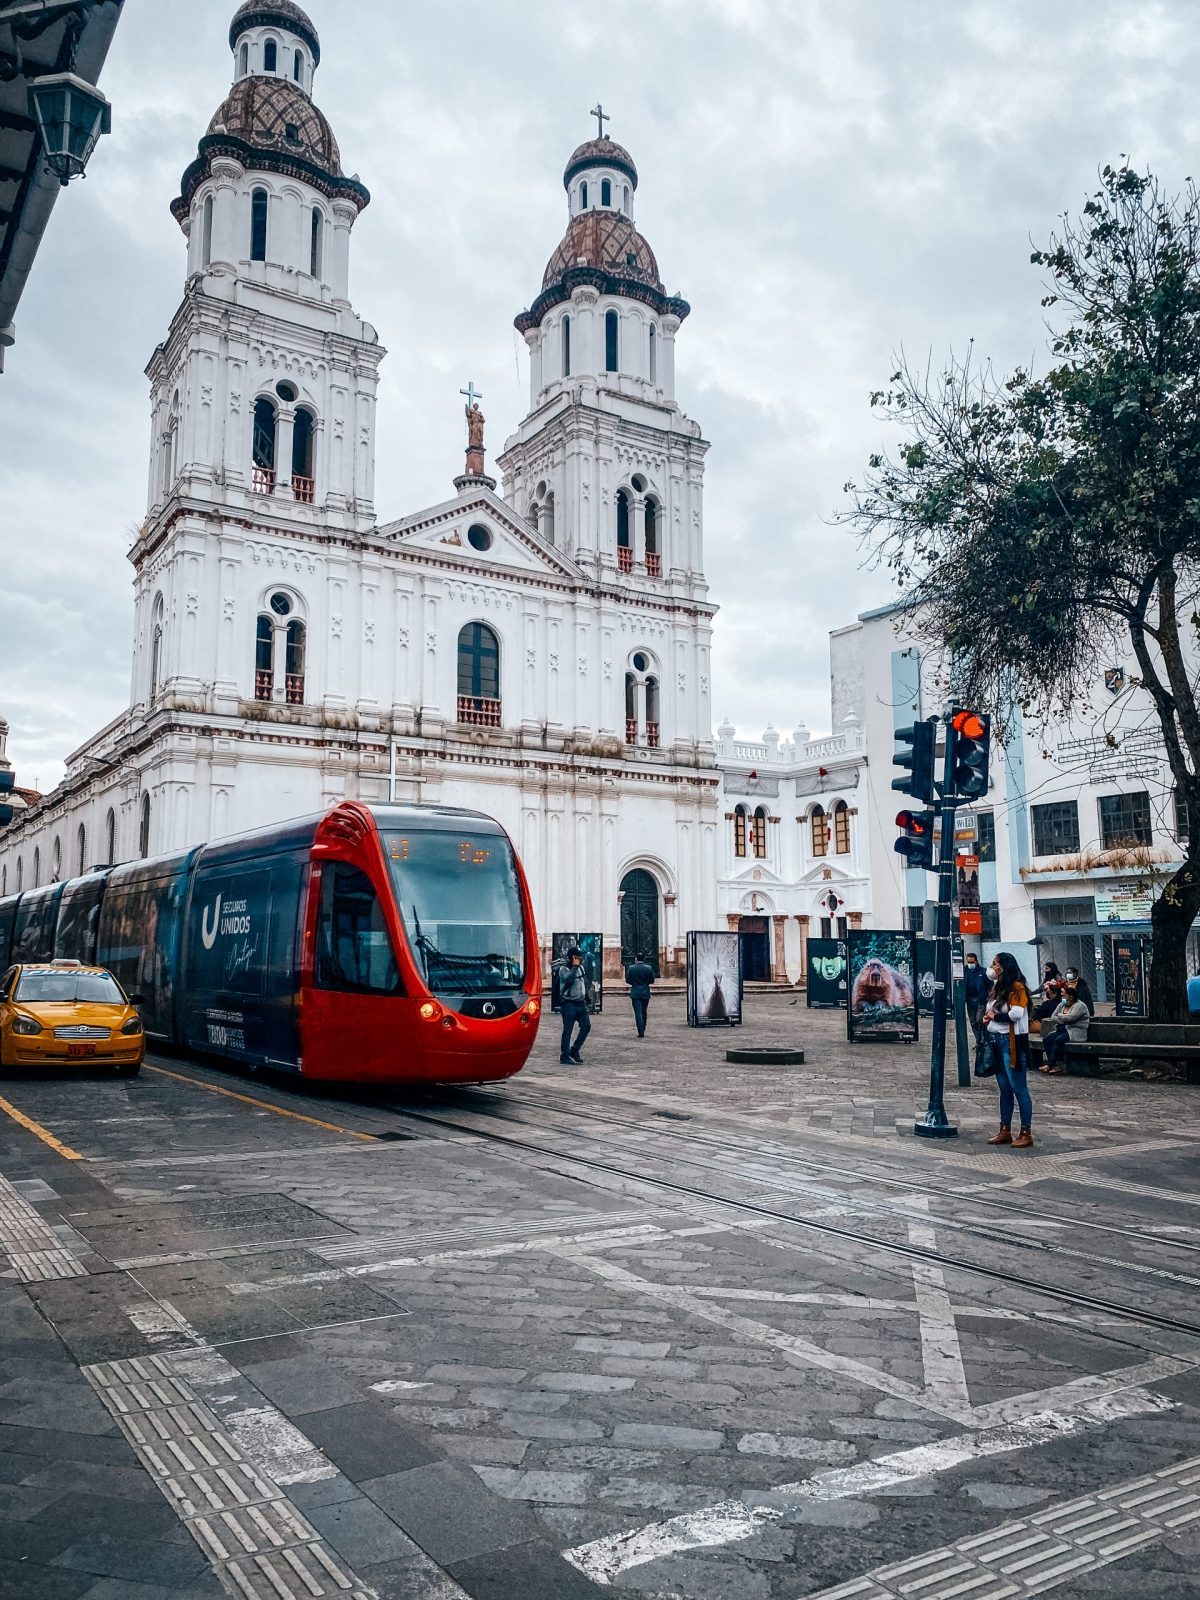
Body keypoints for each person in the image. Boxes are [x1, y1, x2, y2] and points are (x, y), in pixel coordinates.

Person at [983, 951, 1034, 1147]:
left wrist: (994, 1017)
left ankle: (1025, 1131)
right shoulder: (998, 987)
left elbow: (1016, 1014)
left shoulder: (1016, 987)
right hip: (996, 1039)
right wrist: (988, 1018)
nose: (991, 967)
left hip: (1011, 1041)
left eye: (994, 963)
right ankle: (1005, 1129)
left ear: (1003, 966)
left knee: (1019, 1087)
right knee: (1004, 1088)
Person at [1041, 980, 1090, 1072]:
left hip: (1075, 1031)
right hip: (1062, 1029)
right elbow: (1053, 1017)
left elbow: (1071, 1017)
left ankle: (1051, 1064)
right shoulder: (1062, 1004)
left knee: (1058, 1040)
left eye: (1064, 995)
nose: (1062, 996)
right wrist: (1064, 1020)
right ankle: (1054, 1065)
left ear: (1070, 997)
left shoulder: (1079, 1006)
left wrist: (1060, 1016)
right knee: (1047, 1039)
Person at [557, 946, 591, 1065]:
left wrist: (587, 997)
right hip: (569, 1004)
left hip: (580, 1004)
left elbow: (584, 983)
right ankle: (564, 1055)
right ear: (573, 957)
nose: (581, 958)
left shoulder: (581, 968)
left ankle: (575, 1049)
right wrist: (574, 967)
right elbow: (568, 980)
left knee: (586, 1026)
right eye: (578, 956)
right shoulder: (564, 969)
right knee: (568, 1030)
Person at [963, 953, 991, 1055]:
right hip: (970, 999)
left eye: (972, 962)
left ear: (976, 961)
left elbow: (989, 985)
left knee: (979, 1020)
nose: (970, 964)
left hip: (981, 999)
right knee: (973, 1021)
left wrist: (987, 996)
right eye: (969, 962)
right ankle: (979, 1041)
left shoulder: (983, 971)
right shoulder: (964, 971)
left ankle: (983, 1040)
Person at [625, 951, 655, 1037]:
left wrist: (635, 983)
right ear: (644, 959)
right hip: (645, 992)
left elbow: (627, 980)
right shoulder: (648, 968)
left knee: (637, 1013)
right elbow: (652, 981)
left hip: (635, 992)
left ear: (636, 959)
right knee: (644, 1012)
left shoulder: (631, 968)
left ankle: (640, 1031)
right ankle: (643, 1029)